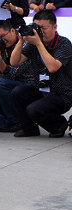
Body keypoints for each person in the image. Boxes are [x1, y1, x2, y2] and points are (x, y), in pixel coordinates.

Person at [9, 10, 72, 138]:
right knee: (18, 92)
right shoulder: (33, 44)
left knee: (34, 109)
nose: (40, 32)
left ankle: (59, 125)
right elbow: (14, 62)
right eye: (37, 28)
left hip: (62, 94)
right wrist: (21, 41)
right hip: (42, 89)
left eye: (44, 28)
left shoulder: (64, 44)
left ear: (55, 27)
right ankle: (29, 129)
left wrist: (38, 43)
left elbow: (53, 67)